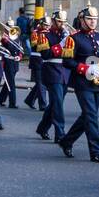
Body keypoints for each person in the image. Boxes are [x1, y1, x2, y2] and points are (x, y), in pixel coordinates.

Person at [58, 4, 99, 162]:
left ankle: (66, 141)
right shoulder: (73, 39)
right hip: (81, 82)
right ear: (82, 20)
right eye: (89, 19)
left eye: (95, 19)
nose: (93, 22)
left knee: (87, 116)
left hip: (96, 81)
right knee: (91, 116)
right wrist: (83, 68)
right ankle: (96, 152)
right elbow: (66, 62)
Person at [35, 9, 71, 145]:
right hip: (51, 71)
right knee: (58, 104)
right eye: (59, 21)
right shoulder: (45, 35)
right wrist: (61, 45)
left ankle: (42, 128)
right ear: (54, 21)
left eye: (64, 22)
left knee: (56, 103)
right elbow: (45, 54)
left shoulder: (67, 35)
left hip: (65, 72)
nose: (62, 24)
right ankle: (60, 134)